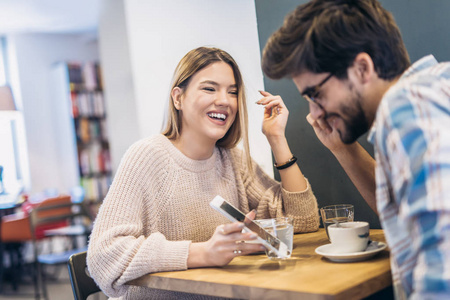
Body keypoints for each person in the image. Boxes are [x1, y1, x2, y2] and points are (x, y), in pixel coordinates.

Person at [87, 46, 319, 299]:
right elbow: (103, 256)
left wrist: (277, 139)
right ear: (178, 98)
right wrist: (203, 252)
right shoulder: (146, 156)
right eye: (210, 88)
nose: (225, 101)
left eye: (232, 92)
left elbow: (304, 221)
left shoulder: (232, 159)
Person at [261, 0, 450, 299]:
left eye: (316, 94)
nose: (314, 112)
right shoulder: (434, 90)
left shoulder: (407, 110)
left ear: (362, 68)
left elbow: (443, 268)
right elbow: (407, 215)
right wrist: (342, 148)